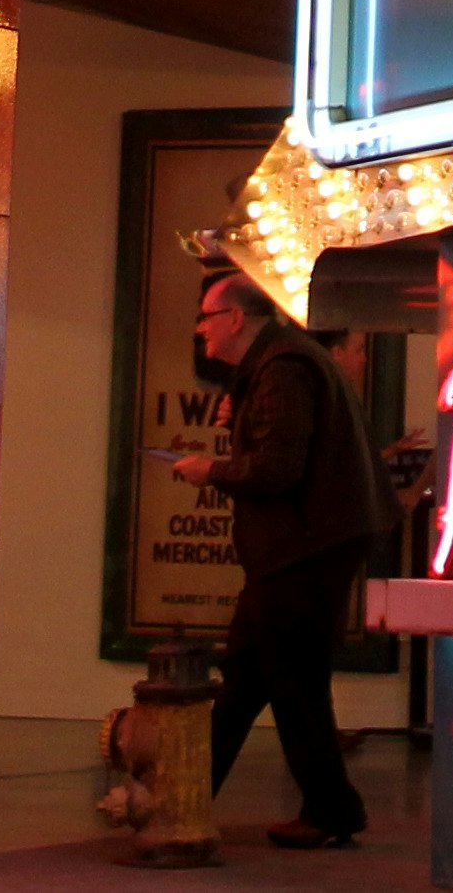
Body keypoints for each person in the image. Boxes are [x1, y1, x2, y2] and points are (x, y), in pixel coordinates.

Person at [172, 271, 392, 849]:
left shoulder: (283, 370)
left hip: (302, 550)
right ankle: (183, 800)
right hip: (307, 546)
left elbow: (277, 469)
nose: (200, 330)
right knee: (247, 677)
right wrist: (240, 411)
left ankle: (330, 811)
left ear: (238, 319)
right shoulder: (283, 364)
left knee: (292, 681)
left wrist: (209, 469)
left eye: (206, 318)